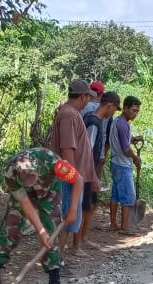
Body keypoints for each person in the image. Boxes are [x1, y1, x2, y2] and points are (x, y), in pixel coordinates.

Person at [0, 148, 80, 284]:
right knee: (9, 229)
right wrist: (40, 231)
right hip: (24, 196)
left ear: (37, 168)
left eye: (32, 177)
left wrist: (73, 209)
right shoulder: (11, 173)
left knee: (51, 233)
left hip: (49, 192)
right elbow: (25, 203)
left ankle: (54, 281)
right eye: (26, 179)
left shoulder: (54, 163)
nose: (30, 181)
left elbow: (78, 180)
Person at [49, 80, 98, 264]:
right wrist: (73, 177)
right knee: (66, 220)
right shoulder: (69, 115)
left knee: (69, 220)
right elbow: (67, 148)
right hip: (69, 177)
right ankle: (55, 261)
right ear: (83, 96)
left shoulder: (71, 113)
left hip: (73, 176)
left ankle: (57, 259)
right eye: (88, 97)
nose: (88, 101)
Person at [77, 91, 121, 255]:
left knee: (91, 205)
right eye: (114, 109)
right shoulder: (94, 123)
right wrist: (93, 176)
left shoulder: (93, 119)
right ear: (109, 105)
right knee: (84, 205)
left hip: (90, 170)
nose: (113, 114)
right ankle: (76, 244)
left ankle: (83, 238)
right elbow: (87, 150)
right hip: (87, 172)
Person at [107, 95, 143, 235]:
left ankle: (113, 224)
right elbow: (125, 149)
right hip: (123, 165)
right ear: (126, 108)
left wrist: (133, 139)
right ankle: (125, 227)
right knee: (128, 197)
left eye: (137, 111)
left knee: (115, 195)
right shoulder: (123, 124)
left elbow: (123, 141)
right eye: (133, 110)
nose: (135, 114)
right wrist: (135, 159)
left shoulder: (117, 122)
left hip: (115, 162)